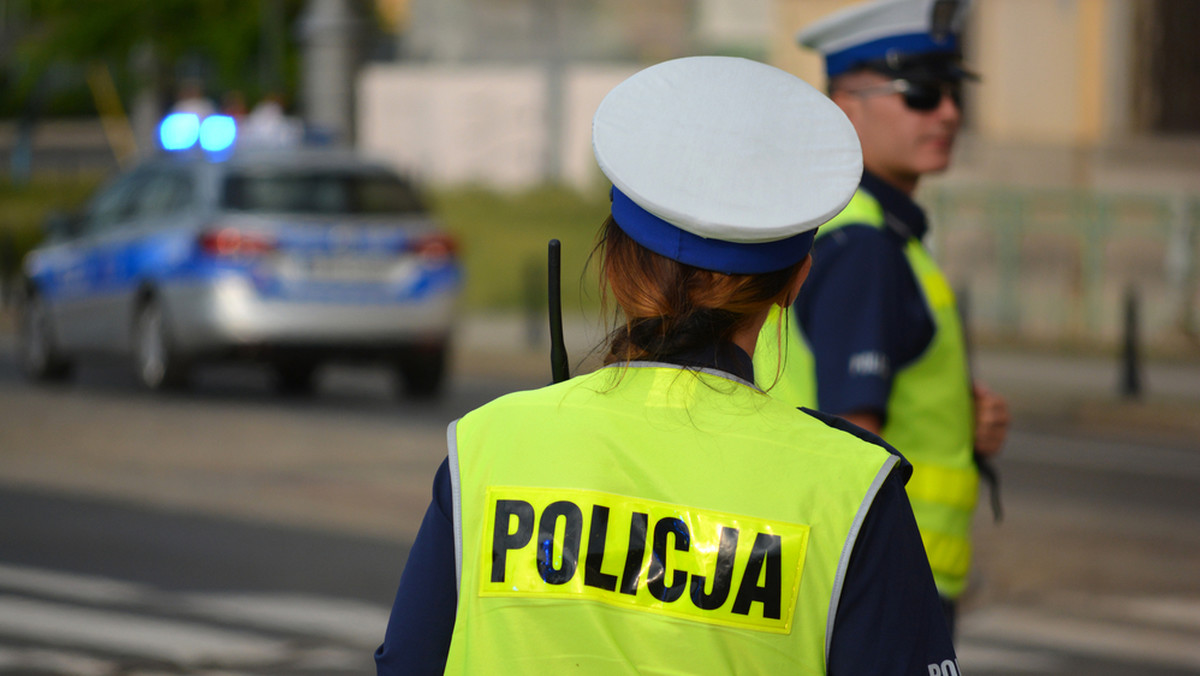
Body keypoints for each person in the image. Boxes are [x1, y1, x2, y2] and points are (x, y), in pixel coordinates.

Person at [376, 56, 957, 675]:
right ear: (796, 283)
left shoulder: (485, 444)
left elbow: (407, 662)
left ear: (613, 265)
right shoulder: (853, 485)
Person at [753, 0, 1010, 633]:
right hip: (872, 581)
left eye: (953, 92)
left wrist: (953, 417)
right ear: (845, 103)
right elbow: (853, 443)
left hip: (844, 574)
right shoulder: (864, 244)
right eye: (920, 93)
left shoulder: (856, 230)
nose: (948, 112)